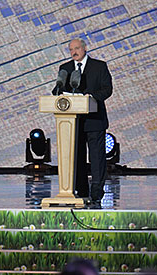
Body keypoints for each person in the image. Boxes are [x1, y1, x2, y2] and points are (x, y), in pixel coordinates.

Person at [52, 38, 113, 207]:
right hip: (73, 123)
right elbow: (57, 90)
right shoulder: (65, 69)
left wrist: (90, 99)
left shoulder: (99, 66)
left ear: (85, 48)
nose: (74, 52)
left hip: (94, 119)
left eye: (77, 48)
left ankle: (96, 192)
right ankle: (80, 191)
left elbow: (107, 89)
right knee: (76, 158)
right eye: (71, 49)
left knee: (96, 157)